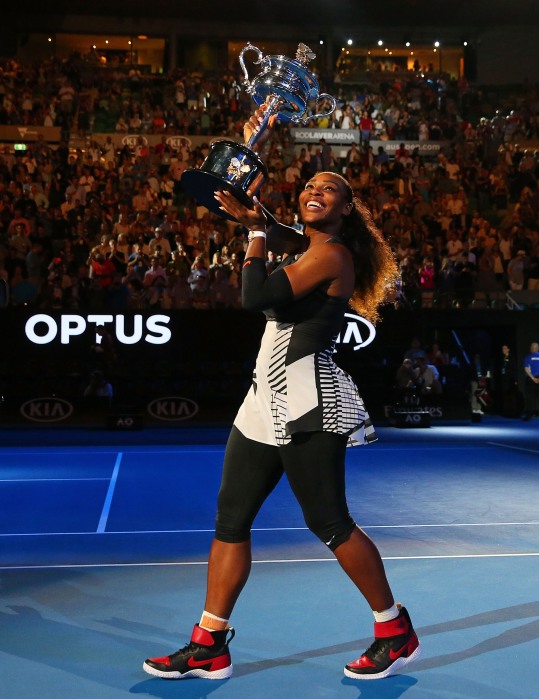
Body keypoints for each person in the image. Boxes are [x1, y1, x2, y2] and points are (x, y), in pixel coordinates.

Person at [143, 112, 420, 683]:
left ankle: (394, 630)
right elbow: (277, 234)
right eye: (310, 187)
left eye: (331, 190)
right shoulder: (303, 243)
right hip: (261, 400)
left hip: (309, 399)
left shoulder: (332, 255)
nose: (317, 191)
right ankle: (209, 643)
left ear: (346, 211)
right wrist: (255, 216)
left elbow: (255, 295)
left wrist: (252, 235)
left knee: (328, 520)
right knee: (231, 518)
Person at [522, 342, 539, 421]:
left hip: (531, 380)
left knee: (530, 398)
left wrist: (532, 378)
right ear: (538, 349)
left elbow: (526, 369)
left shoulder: (528, 357)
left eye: (531, 347)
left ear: (532, 348)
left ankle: (529, 415)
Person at [494, 344, 520, 417]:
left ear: (508, 349)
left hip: (511, 380)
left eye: (505, 348)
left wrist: (515, 380)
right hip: (504, 380)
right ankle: (506, 412)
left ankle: (513, 412)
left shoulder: (512, 358)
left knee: (512, 396)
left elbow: (514, 369)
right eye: (503, 349)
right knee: (505, 396)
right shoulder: (501, 359)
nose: (503, 350)